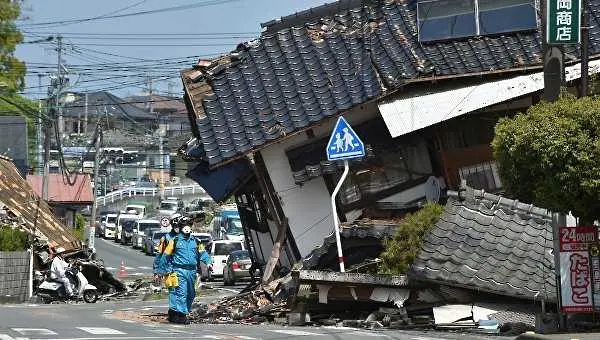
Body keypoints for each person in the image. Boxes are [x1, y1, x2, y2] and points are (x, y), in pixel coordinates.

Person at [162, 222, 212, 324]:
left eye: (189, 225)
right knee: (182, 292)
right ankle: (182, 315)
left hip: (192, 271)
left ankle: (183, 311)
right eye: (185, 225)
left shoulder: (196, 241)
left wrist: (208, 263)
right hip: (179, 270)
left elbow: (203, 253)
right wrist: (161, 270)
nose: (187, 228)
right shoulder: (174, 241)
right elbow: (165, 256)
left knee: (191, 293)